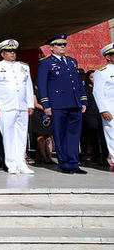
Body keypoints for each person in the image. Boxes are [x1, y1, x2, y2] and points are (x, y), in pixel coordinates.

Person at [37, 34, 87, 174]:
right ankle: (64, 162)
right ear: (52, 48)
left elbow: (78, 82)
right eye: (59, 45)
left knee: (74, 134)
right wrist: (46, 105)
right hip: (58, 104)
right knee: (60, 134)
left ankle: (73, 162)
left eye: (64, 44)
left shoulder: (72, 61)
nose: (63, 46)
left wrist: (83, 100)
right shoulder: (46, 63)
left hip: (74, 103)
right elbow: (42, 85)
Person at [0, 39, 35, 175]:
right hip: (5, 106)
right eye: (9, 51)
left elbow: (28, 86)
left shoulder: (24, 66)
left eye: (14, 51)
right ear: (2, 53)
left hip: (22, 106)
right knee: (8, 136)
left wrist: (30, 104)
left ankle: (21, 163)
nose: (12, 53)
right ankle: (11, 164)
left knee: (21, 135)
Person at [93, 43, 114, 165]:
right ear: (108, 57)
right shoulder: (102, 72)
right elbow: (98, 92)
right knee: (112, 136)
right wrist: (103, 109)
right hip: (111, 110)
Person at [84, 70, 108, 166]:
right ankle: (96, 156)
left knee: (103, 137)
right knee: (95, 136)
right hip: (91, 115)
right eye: (91, 77)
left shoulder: (102, 87)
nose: (93, 79)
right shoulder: (86, 89)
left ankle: (105, 157)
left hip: (102, 114)